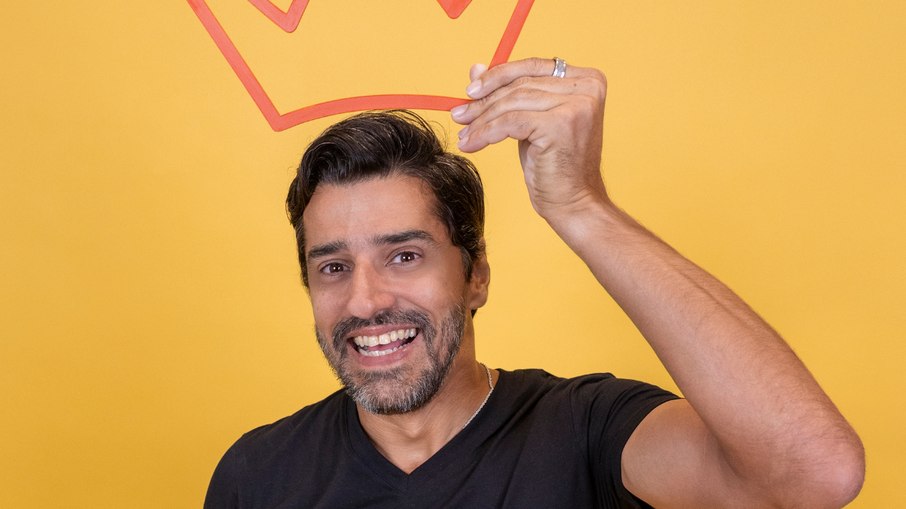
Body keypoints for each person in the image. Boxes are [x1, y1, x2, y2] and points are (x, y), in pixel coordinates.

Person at [204, 58, 864, 508]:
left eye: (404, 256)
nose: (365, 299)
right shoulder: (257, 475)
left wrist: (582, 206)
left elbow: (815, 474)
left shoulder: (585, 432)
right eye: (333, 267)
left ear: (476, 276)